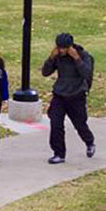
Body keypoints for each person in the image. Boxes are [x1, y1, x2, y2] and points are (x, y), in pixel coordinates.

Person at [40, 34, 96, 164]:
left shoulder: (82, 55)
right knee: (56, 124)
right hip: (60, 95)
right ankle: (59, 153)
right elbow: (45, 72)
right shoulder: (58, 56)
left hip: (76, 95)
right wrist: (51, 58)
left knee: (80, 124)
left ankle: (89, 142)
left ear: (70, 47)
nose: (62, 51)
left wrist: (76, 58)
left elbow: (87, 73)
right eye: (59, 48)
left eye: (64, 48)